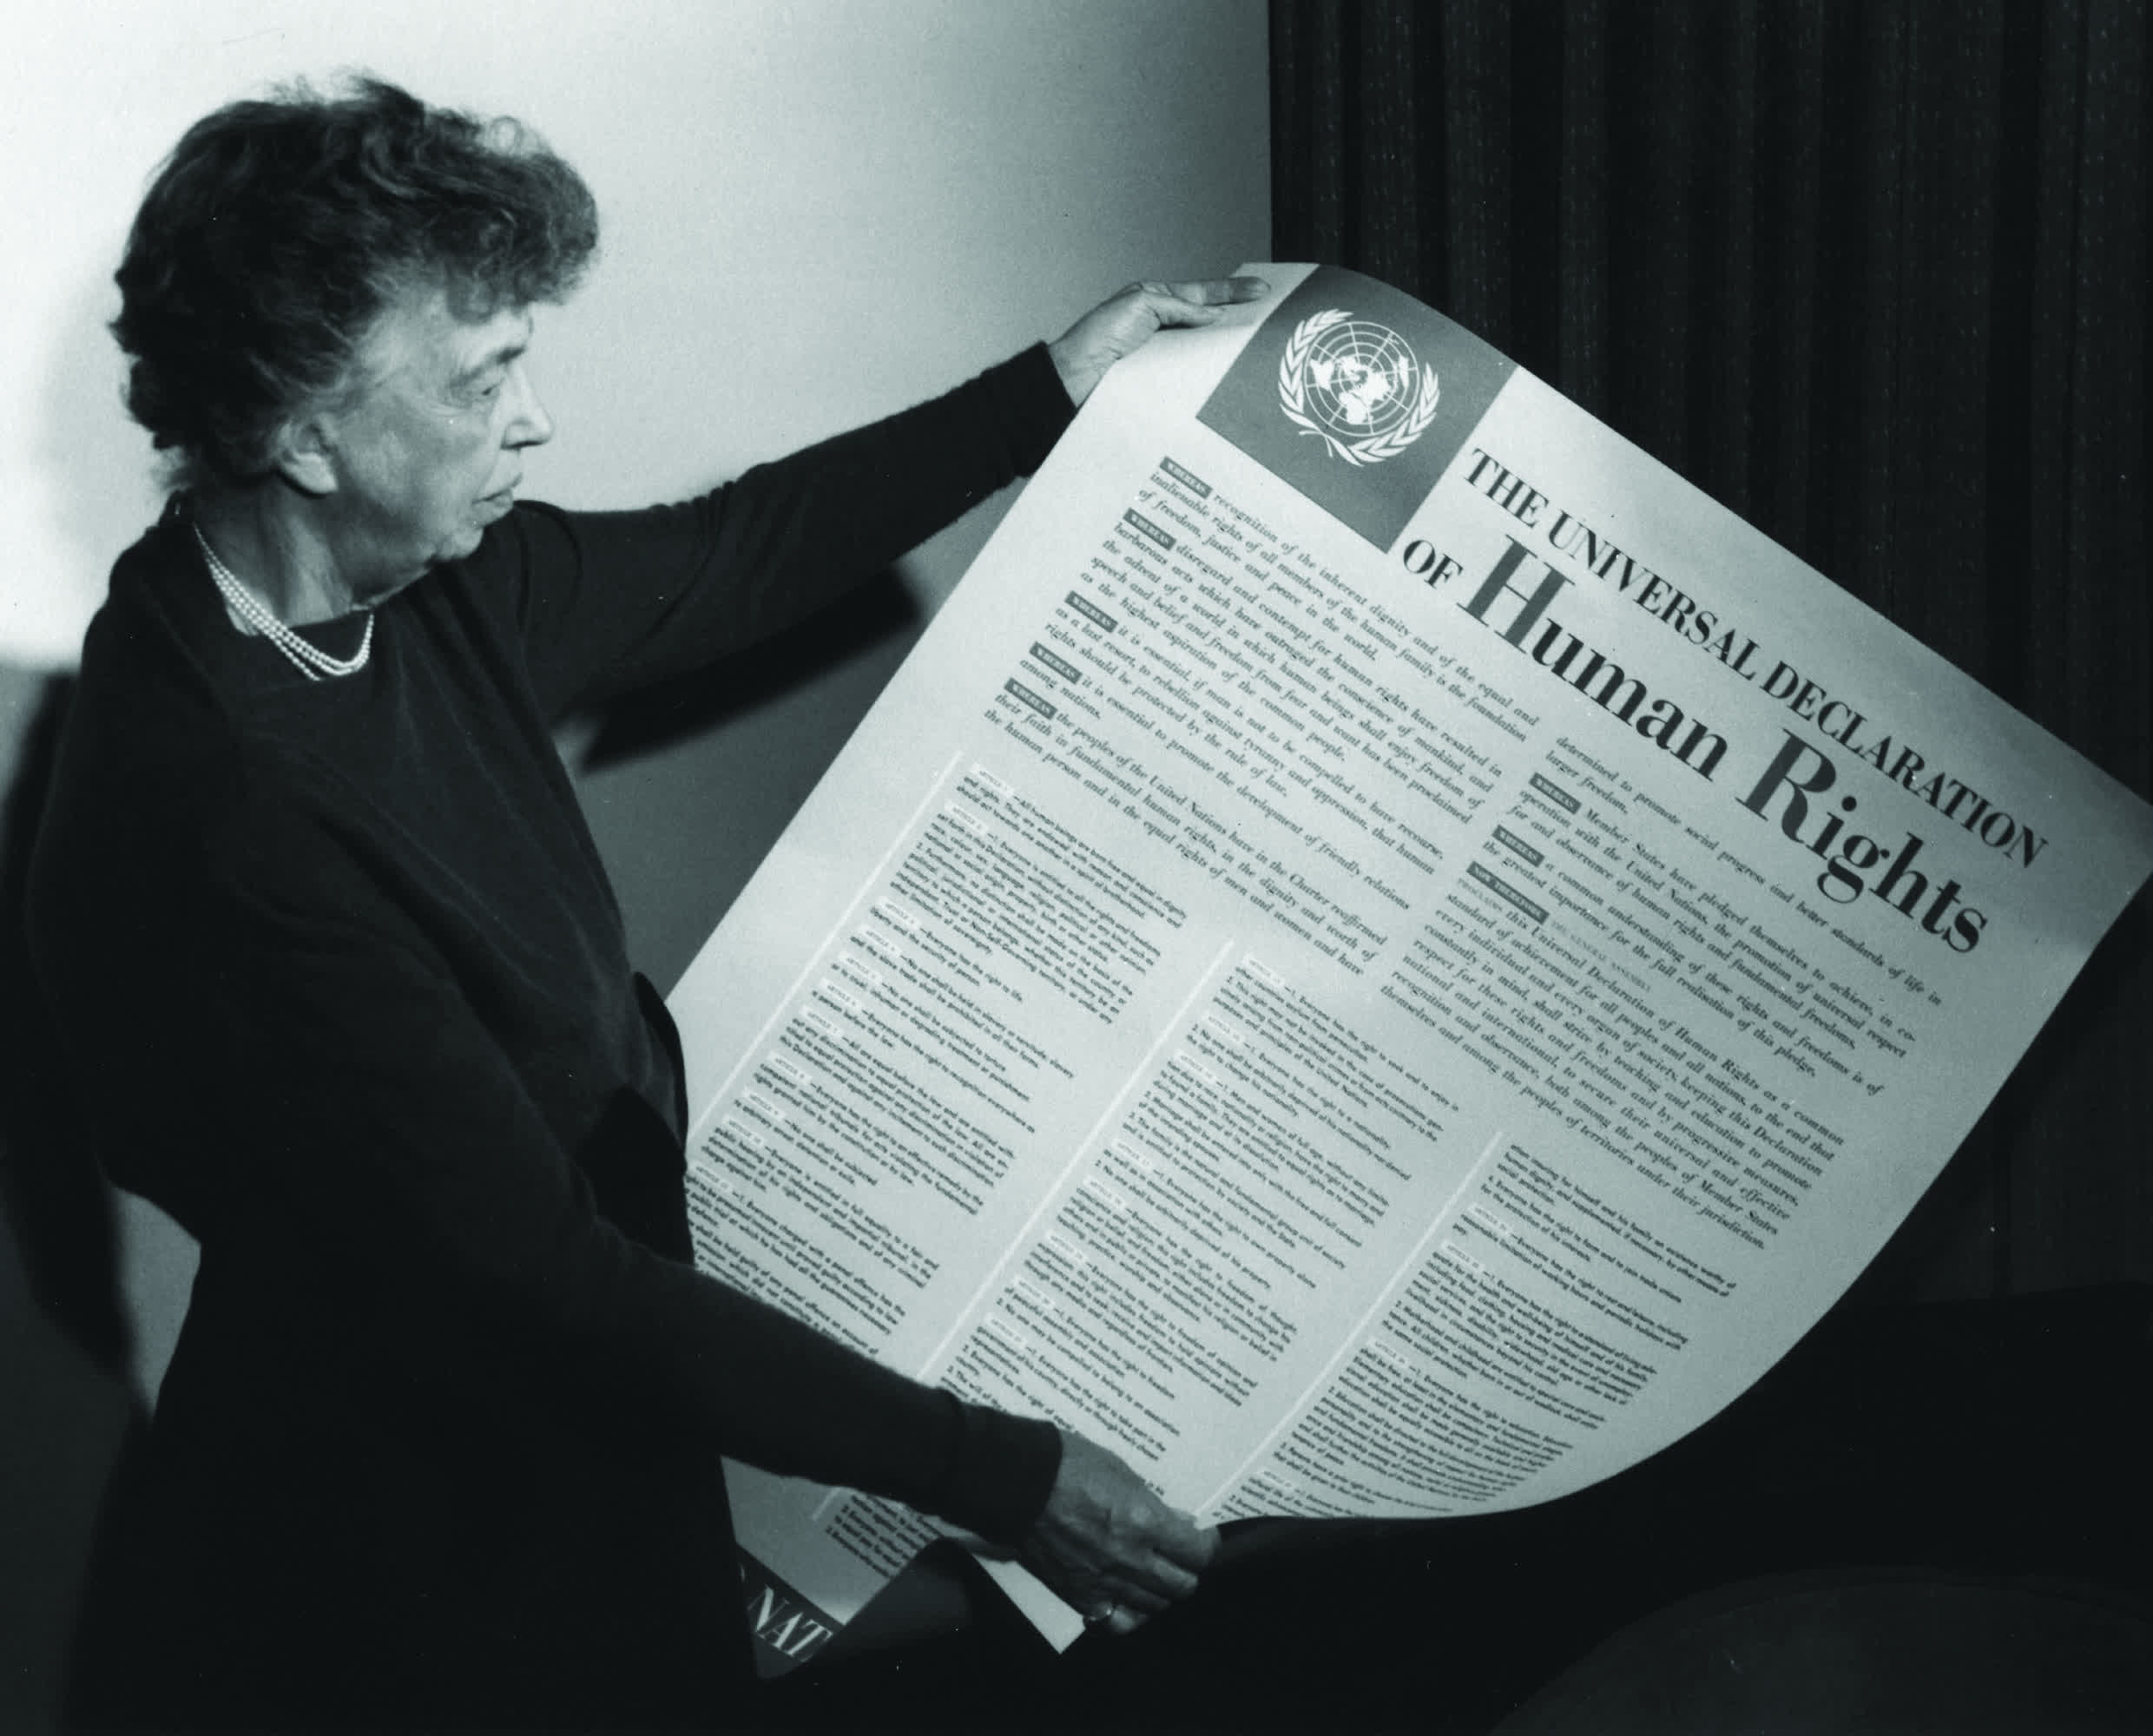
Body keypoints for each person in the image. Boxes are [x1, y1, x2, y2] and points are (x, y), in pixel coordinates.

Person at [29, 75, 1261, 1731]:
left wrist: (1051, 386)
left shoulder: (420, 590)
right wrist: (1006, 1474)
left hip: (566, 1453)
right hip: (400, 1563)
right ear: (301, 431)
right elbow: (544, 1275)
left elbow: (729, 552)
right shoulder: (230, 801)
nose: (532, 418)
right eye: (482, 379)